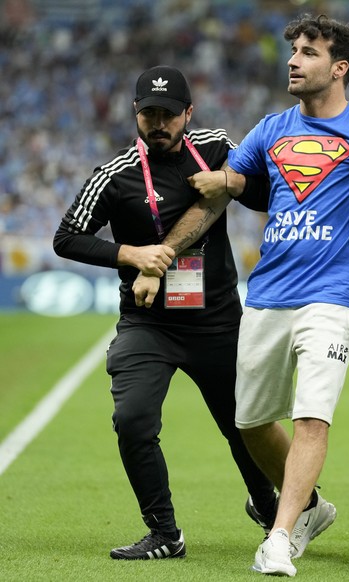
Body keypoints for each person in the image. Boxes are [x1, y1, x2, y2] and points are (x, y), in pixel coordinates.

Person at [133, 15, 349, 577]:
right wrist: (164, 253)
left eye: (308, 52)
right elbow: (217, 198)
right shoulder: (269, 130)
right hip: (268, 295)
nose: (293, 60)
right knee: (251, 421)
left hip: (333, 296)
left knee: (312, 416)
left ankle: (280, 537)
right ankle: (311, 508)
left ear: (339, 68)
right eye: (293, 51)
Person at [53, 65, 278, 560]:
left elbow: (268, 189)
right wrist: (130, 255)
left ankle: (269, 509)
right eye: (149, 114)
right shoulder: (114, 176)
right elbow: (65, 237)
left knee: (243, 425)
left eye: (169, 114)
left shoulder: (219, 146)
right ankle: (165, 533)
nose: (159, 123)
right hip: (148, 322)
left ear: (188, 114)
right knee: (132, 420)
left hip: (218, 320)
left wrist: (229, 181)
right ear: (135, 114)